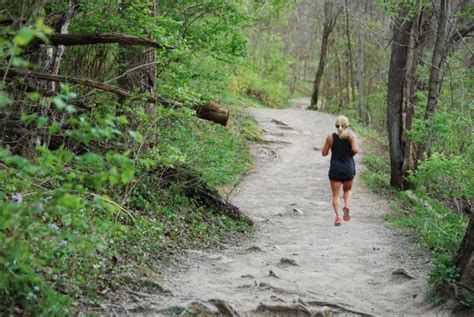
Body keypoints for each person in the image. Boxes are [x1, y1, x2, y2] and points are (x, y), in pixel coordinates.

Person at [321, 115, 359, 226]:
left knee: (335, 195)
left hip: (335, 170)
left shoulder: (330, 137)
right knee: (347, 190)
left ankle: (338, 217)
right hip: (348, 169)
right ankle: (346, 206)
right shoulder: (352, 137)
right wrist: (350, 154)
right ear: (347, 125)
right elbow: (356, 150)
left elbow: (324, 153)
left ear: (336, 125)